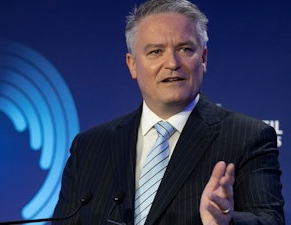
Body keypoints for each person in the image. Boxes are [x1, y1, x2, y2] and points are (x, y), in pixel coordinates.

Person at [52, 0, 285, 224]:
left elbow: (270, 220)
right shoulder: (90, 147)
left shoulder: (247, 137)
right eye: (155, 52)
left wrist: (225, 222)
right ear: (132, 64)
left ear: (203, 58)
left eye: (185, 49)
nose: (172, 63)